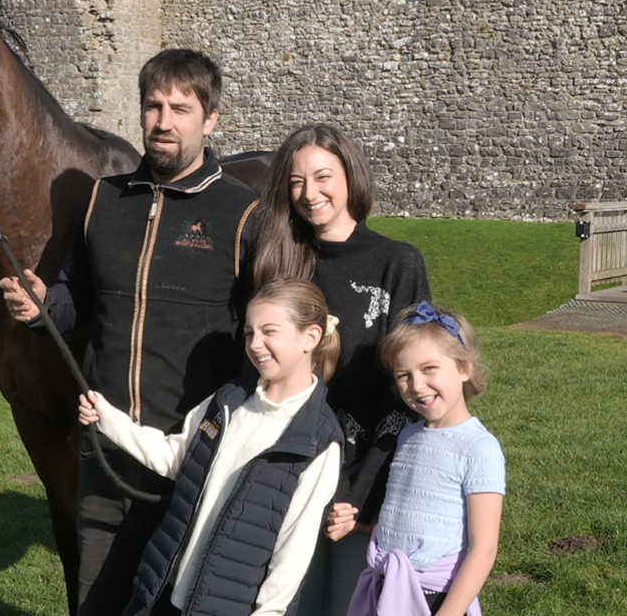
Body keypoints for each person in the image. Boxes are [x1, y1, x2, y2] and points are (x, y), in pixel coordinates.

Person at [1, 48, 259, 615]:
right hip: (107, 444)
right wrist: (43, 307)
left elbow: (270, 334)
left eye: (181, 109)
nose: (163, 122)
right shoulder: (104, 200)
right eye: (152, 106)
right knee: (100, 601)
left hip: (195, 449)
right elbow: (75, 300)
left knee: (184, 603)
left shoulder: (243, 213)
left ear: (210, 119)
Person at [78, 278, 344, 616]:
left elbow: (293, 551)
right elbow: (174, 456)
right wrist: (107, 418)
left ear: (311, 337)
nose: (255, 344)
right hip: (164, 592)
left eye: (269, 331)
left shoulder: (316, 442)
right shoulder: (229, 399)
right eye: (249, 333)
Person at [250, 123, 431, 615]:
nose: (310, 194)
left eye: (323, 176)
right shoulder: (280, 265)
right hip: (288, 477)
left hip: (362, 487)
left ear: (350, 176)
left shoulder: (397, 263)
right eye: (295, 182)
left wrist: (362, 495)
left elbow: (409, 393)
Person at [344, 302, 503, 616]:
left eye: (430, 369)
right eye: (404, 375)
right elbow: (407, 509)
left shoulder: (478, 447)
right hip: (387, 592)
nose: (417, 386)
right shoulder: (407, 436)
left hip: (436, 600)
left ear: (464, 368)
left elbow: (483, 549)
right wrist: (362, 525)